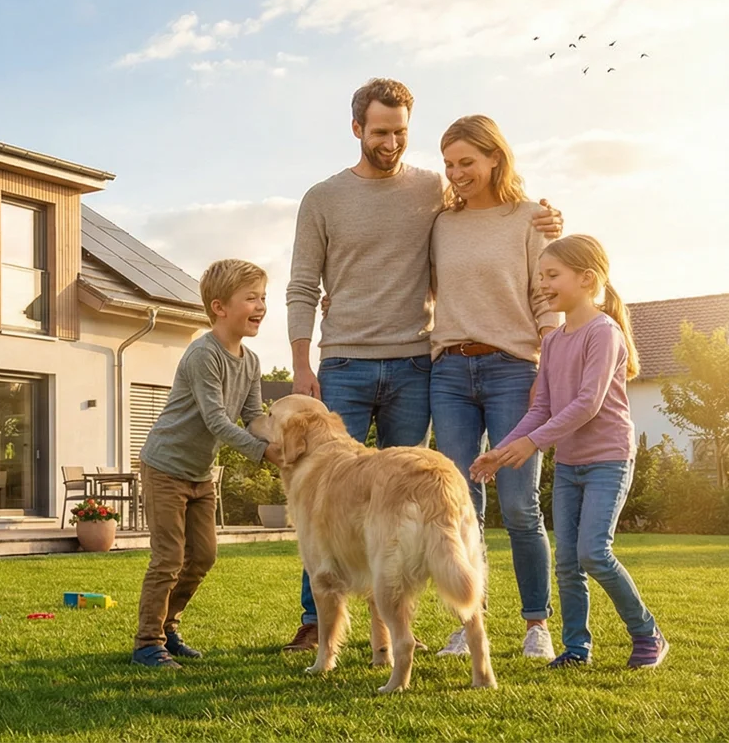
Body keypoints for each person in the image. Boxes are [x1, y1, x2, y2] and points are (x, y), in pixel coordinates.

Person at [282, 79, 560, 653]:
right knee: (323, 503)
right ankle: (317, 625)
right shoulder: (324, 198)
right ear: (357, 128)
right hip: (349, 365)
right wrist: (301, 362)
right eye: (381, 131)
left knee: (408, 511)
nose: (391, 142)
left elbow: (505, 227)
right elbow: (303, 285)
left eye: (401, 131)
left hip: (417, 365)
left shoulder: (434, 192)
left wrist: (549, 220)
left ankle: (402, 630)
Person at [473, 234, 668, 670]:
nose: (542, 283)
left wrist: (532, 443)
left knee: (593, 553)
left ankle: (646, 632)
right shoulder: (556, 341)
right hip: (569, 465)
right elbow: (540, 407)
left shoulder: (604, 333)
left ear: (587, 278)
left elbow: (587, 403)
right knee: (567, 563)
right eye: (540, 275)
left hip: (609, 460)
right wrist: (501, 451)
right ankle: (577, 648)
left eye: (552, 275)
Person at [428, 115, 560, 661]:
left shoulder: (532, 220)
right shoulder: (440, 224)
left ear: (495, 159)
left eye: (468, 163)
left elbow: (545, 295)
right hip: (450, 371)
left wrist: (549, 367)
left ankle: (536, 625)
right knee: (459, 504)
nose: (458, 174)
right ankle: (471, 621)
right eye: (450, 164)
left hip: (513, 369)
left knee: (520, 505)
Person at [131, 259, 271, 669]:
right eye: (251, 298)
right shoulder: (202, 354)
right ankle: (146, 643)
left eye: (263, 297)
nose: (261, 305)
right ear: (220, 307)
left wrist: (285, 437)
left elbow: (253, 417)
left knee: (203, 556)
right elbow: (216, 420)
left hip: (200, 474)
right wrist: (264, 452)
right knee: (168, 558)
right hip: (165, 467)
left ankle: (168, 627)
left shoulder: (252, 361)